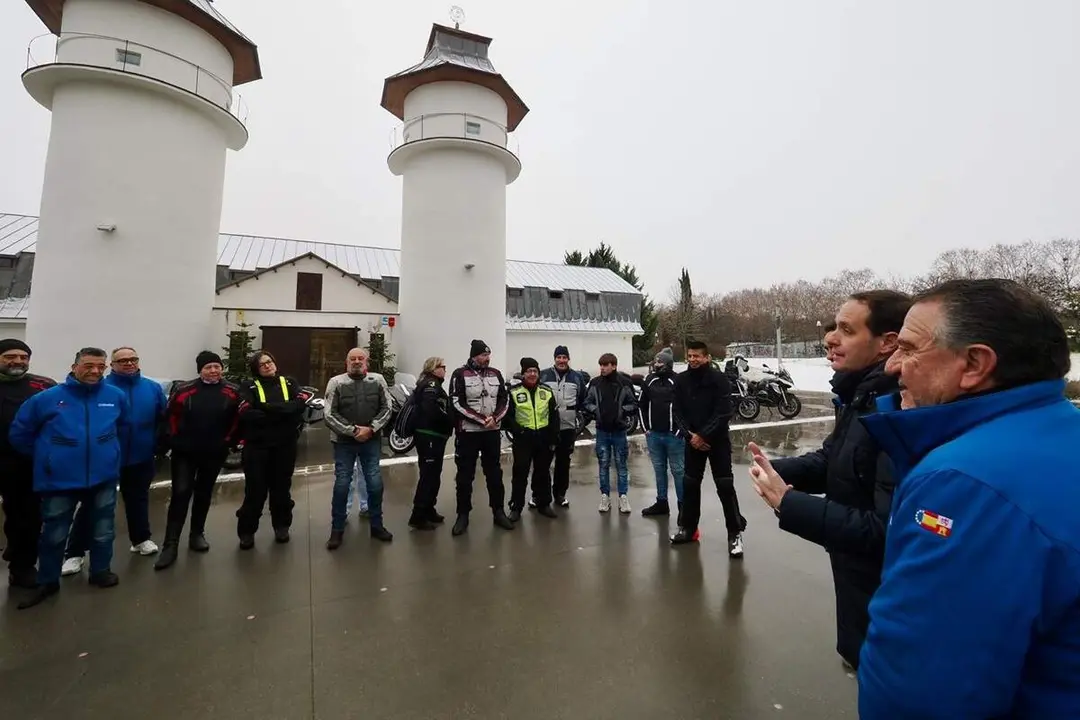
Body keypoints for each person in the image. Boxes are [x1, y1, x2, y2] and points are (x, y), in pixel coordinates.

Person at [828, 279, 1080, 717]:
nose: (894, 367)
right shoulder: (1061, 433)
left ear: (974, 364)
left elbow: (919, 696)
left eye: (909, 350)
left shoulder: (963, 485)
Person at [746, 290, 910, 670]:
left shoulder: (896, 407)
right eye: (834, 327)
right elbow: (836, 459)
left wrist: (789, 504)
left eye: (846, 330)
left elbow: (885, 530)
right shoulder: (859, 396)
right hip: (856, 579)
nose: (830, 338)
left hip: (880, 588)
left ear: (887, 343)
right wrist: (778, 470)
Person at [11, 348, 128, 609]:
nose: (95, 371)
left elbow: (122, 427)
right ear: (74, 366)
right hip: (59, 480)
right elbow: (20, 433)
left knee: (103, 530)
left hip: (103, 477)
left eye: (101, 366)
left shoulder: (115, 396)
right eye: (88, 365)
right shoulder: (47, 399)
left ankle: (100, 571)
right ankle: (47, 581)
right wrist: (48, 457)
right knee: (54, 533)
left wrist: (110, 455)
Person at [61, 346, 168, 576]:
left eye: (133, 359)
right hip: (106, 459)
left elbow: (163, 418)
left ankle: (140, 539)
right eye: (123, 360)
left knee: (138, 499)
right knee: (92, 505)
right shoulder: (102, 388)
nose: (129, 363)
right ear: (113, 365)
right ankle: (74, 553)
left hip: (141, 455)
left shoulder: (151, 388)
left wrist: (159, 445)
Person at [154, 351, 244, 570]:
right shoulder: (185, 390)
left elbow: (238, 419)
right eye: (208, 367)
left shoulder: (232, 391)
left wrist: (229, 442)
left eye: (216, 366)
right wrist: (171, 442)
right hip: (185, 452)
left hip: (214, 452)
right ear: (200, 370)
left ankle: (197, 534)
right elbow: (170, 418)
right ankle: (170, 544)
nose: (213, 371)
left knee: (204, 493)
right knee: (180, 494)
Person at [672, 341, 745, 555]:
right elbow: (676, 411)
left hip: (717, 441)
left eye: (697, 356)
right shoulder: (681, 380)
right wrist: (690, 435)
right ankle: (688, 529)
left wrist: (703, 435)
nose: (693, 359)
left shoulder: (719, 379)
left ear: (707, 358)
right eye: (690, 356)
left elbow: (724, 412)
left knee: (724, 486)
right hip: (692, 440)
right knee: (690, 484)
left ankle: (735, 534)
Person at [235, 350, 308, 549]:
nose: (267, 366)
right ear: (256, 369)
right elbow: (246, 413)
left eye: (269, 362)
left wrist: (265, 407)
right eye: (262, 364)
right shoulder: (247, 386)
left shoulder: (290, 382)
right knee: (255, 492)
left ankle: (282, 527)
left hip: (285, 447)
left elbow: (299, 406)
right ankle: (247, 532)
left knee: (281, 491)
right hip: (256, 449)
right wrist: (284, 411)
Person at [324, 347, 394, 549]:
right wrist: (354, 430)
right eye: (352, 359)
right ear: (346, 363)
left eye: (360, 358)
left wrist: (371, 429)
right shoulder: (336, 382)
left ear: (367, 362)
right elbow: (329, 414)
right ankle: (336, 530)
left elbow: (387, 408)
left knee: (374, 483)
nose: (356, 361)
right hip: (343, 442)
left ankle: (377, 525)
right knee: (342, 484)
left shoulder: (378, 380)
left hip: (371, 441)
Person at [0, 339, 55, 590]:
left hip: (27, 463)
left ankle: (22, 568)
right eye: (10, 356)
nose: (18, 361)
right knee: (14, 514)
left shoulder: (43, 386)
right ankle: (13, 544)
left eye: (23, 357)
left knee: (29, 517)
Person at [448, 339, 514, 536]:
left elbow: (505, 398)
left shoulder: (495, 374)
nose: (487, 358)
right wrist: (481, 419)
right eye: (483, 355)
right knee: (465, 476)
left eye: (488, 355)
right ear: (474, 356)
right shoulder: (459, 374)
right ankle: (462, 515)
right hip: (468, 433)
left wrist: (495, 418)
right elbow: (456, 402)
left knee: (494, 474)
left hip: (491, 433)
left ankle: (499, 511)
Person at [505, 357, 559, 521]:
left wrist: (553, 438)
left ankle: (543, 504)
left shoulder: (547, 391)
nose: (532, 374)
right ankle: (516, 507)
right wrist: (518, 431)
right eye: (529, 371)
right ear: (523, 374)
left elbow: (554, 416)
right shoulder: (514, 392)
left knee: (543, 472)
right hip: (524, 439)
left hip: (543, 437)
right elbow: (507, 417)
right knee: (520, 473)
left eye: (535, 371)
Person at [583, 353, 638, 514]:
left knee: (621, 465)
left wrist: (621, 411)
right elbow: (587, 402)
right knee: (603, 465)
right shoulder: (595, 383)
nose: (602, 368)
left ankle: (623, 497)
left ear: (614, 366)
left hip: (619, 431)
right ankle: (605, 496)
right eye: (601, 365)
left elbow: (634, 404)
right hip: (601, 431)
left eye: (605, 365)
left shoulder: (625, 383)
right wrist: (596, 411)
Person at [639, 347, 685, 521]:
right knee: (659, 470)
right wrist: (646, 429)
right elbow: (641, 405)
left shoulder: (678, 381)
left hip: (674, 436)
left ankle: (683, 507)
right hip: (654, 435)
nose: (656, 364)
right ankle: (661, 502)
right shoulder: (649, 380)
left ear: (667, 364)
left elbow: (686, 407)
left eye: (660, 362)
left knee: (679, 471)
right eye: (655, 361)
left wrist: (681, 430)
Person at [408, 356, 453, 531]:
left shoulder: (432, 384)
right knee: (428, 476)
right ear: (434, 369)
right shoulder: (430, 385)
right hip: (429, 436)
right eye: (442, 366)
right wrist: (449, 419)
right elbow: (431, 409)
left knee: (434, 475)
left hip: (434, 436)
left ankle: (429, 509)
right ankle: (418, 515)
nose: (445, 370)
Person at [538, 345, 587, 508]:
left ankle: (560, 494)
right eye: (558, 357)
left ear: (568, 359)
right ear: (555, 359)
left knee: (563, 462)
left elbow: (581, 398)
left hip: (567, 427)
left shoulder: (577, 377)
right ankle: (538, 495)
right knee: (543, 462)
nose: (561, 360)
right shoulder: (544, 374)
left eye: (564, 357)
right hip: (547, 426)